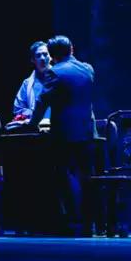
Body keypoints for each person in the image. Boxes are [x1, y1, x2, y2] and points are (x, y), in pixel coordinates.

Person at [31, 35, 97, 237]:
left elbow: (42, 101)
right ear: (72, 49)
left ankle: (72, 221)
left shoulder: (54, 72)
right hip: (87, 131)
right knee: (87, 177)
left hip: (65, 133)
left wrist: (32, 123)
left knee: (64, 176)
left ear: (52, 56)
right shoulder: (88, 69)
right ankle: (89, 223)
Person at [9, 41, 52, 125]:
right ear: (33, 60)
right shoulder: (27, 83)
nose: (42, 58)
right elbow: (18, 108)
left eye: (45, 54)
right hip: (35, 126)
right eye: (38, 55)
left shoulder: (59, 77)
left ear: (50, 56)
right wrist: (32, 113)